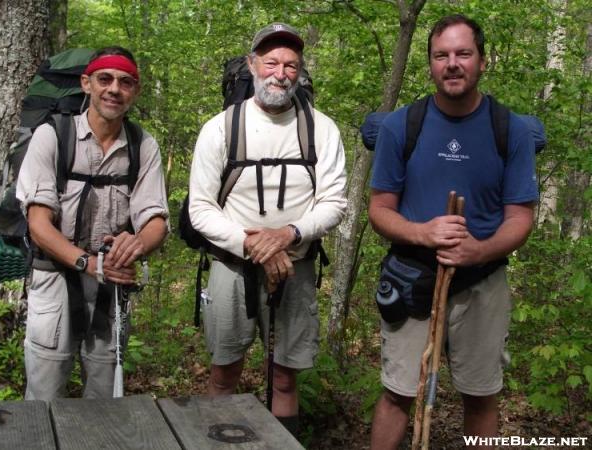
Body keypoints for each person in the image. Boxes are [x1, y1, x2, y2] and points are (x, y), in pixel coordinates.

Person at [368, 14, 538, 449]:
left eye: (464, 53)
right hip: (411, 277)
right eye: (441, 55)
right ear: (430, 65)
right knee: (397, 393)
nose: (453, 63)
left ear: (483, 61)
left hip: (482, 281)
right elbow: (380, 210)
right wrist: (424, 233)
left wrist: (478, 251)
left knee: (482, 396)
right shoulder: (400, 126)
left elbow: (520, 217)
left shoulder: (511, 130)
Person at [188, 23, 347, 435]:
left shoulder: (321, 129)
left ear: (300, 71)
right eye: (272, 62)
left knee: (284, 376)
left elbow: (334, 203)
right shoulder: (220, 128)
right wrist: (253, 243)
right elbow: (200, 208)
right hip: (231, 265)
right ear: (252, 64)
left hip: (296, 265)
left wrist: (287, 235)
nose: (280, 73)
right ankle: (215, 442)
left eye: (291, 65)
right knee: (225, 371)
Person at [17, 46, 169, 400]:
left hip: (110, 288)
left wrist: (138, 244)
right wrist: (88, 263)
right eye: (105, 79)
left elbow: (156, 220)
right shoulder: (53, 135)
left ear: (136, 90)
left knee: (104, 400)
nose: (114, 89)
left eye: (125, 82)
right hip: (54, 280)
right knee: (43, 394)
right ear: (87, 83)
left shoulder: (142, 145)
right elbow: (38, 223)